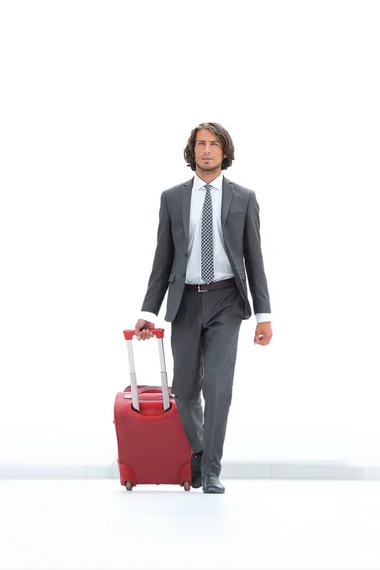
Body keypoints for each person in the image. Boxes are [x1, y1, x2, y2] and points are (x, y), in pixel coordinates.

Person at [134, 122, 272, 494]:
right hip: (186, 302)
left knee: (219, 387)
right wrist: (148, 312)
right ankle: (198, 451)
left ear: (225, 152)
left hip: (227, 300)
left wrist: (264, 316)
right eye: (200, 144)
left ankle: (210, 469)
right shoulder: (172, 198)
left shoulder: (244, 197)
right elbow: (162, 261)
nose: (206, 150)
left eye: (214, 144)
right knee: (185, 388)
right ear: (192, 151)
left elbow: (255, 260)